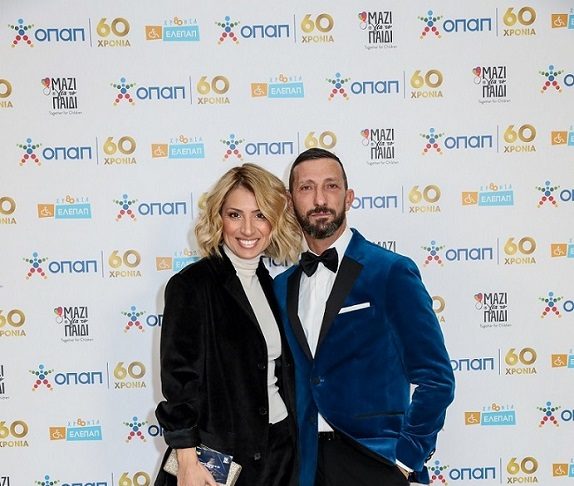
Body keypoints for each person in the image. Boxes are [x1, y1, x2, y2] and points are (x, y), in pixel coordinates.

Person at [274, 148, 455, 486]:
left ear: (349, 196)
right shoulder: (282, 287)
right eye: (306, 188)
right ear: (290, 201)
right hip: (303, 465)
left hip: (374, 460)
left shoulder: (390, 272)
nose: (319, 199)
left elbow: (436, 378)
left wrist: (404, 460)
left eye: (331, 186)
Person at [155, 163, 302, 486]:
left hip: (279, 453)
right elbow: (180, 383)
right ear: (218, 218)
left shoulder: (269, 285)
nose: (248, 229)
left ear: (274, 220)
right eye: (235, 215)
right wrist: (187, 461)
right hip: (218, 460)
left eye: (260, 215)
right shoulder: (192, 286)